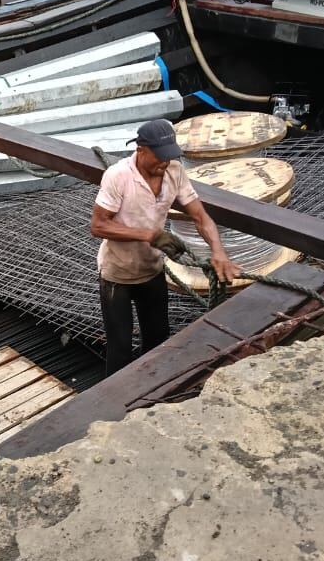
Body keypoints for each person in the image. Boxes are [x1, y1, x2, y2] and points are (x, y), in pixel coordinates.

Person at [90, 118, 242, 374]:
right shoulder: (117, 176)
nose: (165, 162)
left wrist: (218, 251)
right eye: (159, 156)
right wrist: (148, 234)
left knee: (158, 338)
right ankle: (113, 407)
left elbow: (200, 217)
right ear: (140, 150)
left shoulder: (174, 171)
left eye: (169, 156)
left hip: (152, 270)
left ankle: (150, 397)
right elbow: (98, 226)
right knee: (120, 347)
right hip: (118, 275)